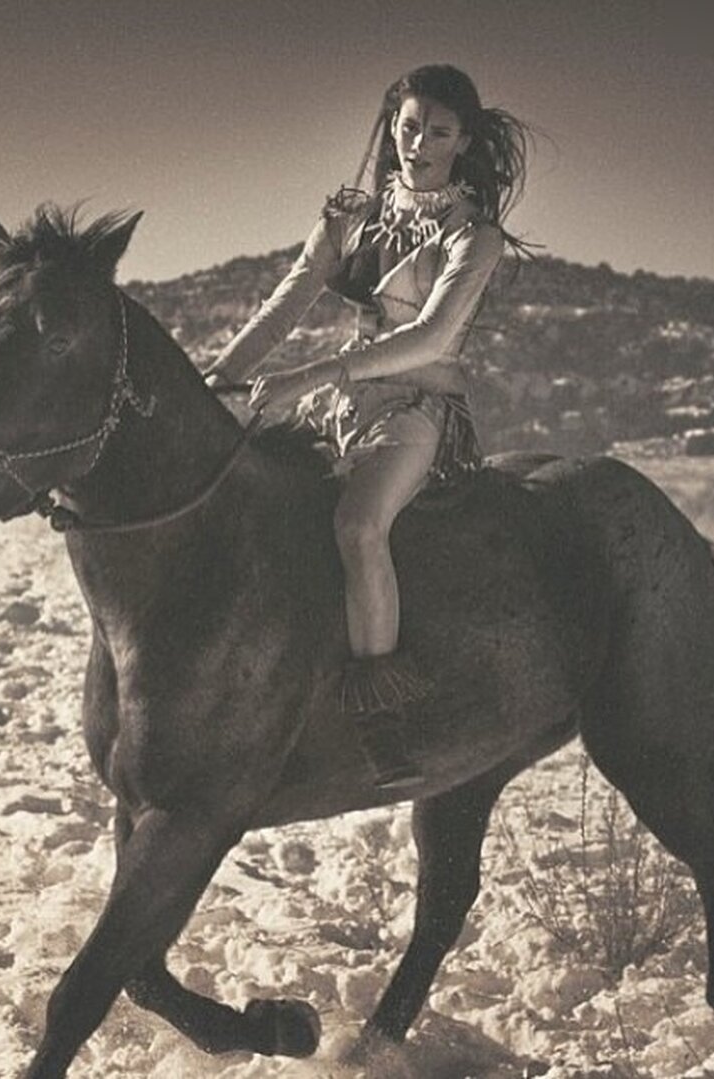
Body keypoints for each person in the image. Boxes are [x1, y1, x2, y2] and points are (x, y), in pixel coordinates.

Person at [207, 63, 534, 789]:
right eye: (409, 127)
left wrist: (312, 376)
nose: (418, 144)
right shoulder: (350, 217)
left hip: (418, 408)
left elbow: (430, 337)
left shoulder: (473, 237)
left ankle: (385, 724)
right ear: (392, 126)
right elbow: (284, 306)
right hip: (341, 411)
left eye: (438, 132)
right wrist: (217, 379)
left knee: (359, 527)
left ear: (463, 141)